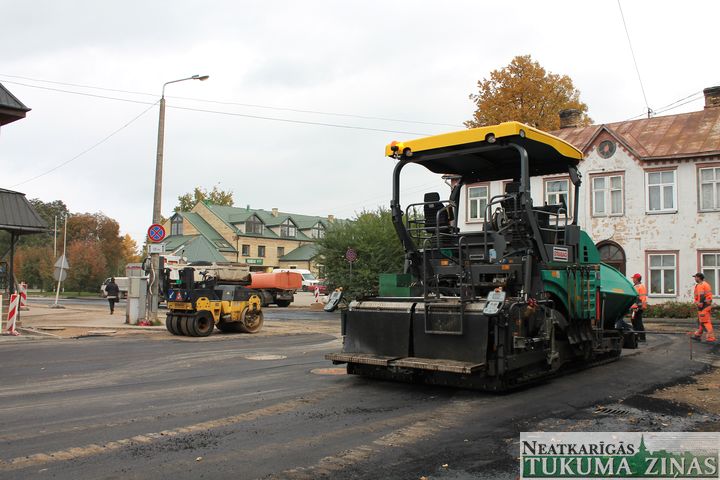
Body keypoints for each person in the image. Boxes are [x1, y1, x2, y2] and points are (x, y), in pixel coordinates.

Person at [691, 272, 715, 342]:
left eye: (695, 277)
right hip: (703, 306)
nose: (695, 278)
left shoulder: (703, 285)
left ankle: (711, 337)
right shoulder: (700, 285)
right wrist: (698, 303)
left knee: (706, 322)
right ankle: (698, 335)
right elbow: (698, 296)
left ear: (698, 277)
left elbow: (702, 296)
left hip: (704, 306)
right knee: (701, 321)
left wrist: (701, 303)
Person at [629, 273, 647, 342]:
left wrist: (639, 307)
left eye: (633, 278)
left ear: (636, 279)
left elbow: (642, 298)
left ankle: (642, 337)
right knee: (634, 321)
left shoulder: (640, 287)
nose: (633, 279)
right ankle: (637, 336)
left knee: (638, 322)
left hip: (638, 308)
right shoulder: (635, 286)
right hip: (634, 307)